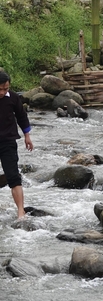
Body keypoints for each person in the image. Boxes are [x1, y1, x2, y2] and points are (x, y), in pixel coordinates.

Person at [0, 71, 34, 219]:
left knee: (14, 177)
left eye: (5, 88)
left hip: (8, 141)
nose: (2, 92)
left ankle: (21, 211)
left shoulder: (12, 98)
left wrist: (27, 136)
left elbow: (21, 116)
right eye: (0, 89)